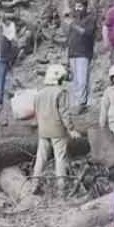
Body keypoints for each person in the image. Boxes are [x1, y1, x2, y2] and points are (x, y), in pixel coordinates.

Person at [33, 64, 78, 196]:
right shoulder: (61, 92)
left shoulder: (39, 93)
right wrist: (71, 129)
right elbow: (64, 113)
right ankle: (61, 188)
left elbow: (36, 112)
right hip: (57, 130)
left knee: (40, 158)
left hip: (43, 130)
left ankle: (34, 184)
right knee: (60, 158)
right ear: (58, 78)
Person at [65, 0, 99, 112]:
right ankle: (76, 103)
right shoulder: (74, 20)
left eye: (80, 6)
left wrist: (73, 26)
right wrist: (67, 57)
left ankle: (82, 103)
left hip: (84, 52)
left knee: (83, 79)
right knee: (75, 80)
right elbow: (70, 39)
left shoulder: (90, 19)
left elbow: (87, 33)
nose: (77, 9)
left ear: (85, 7)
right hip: (73, 53)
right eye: (76, 6)